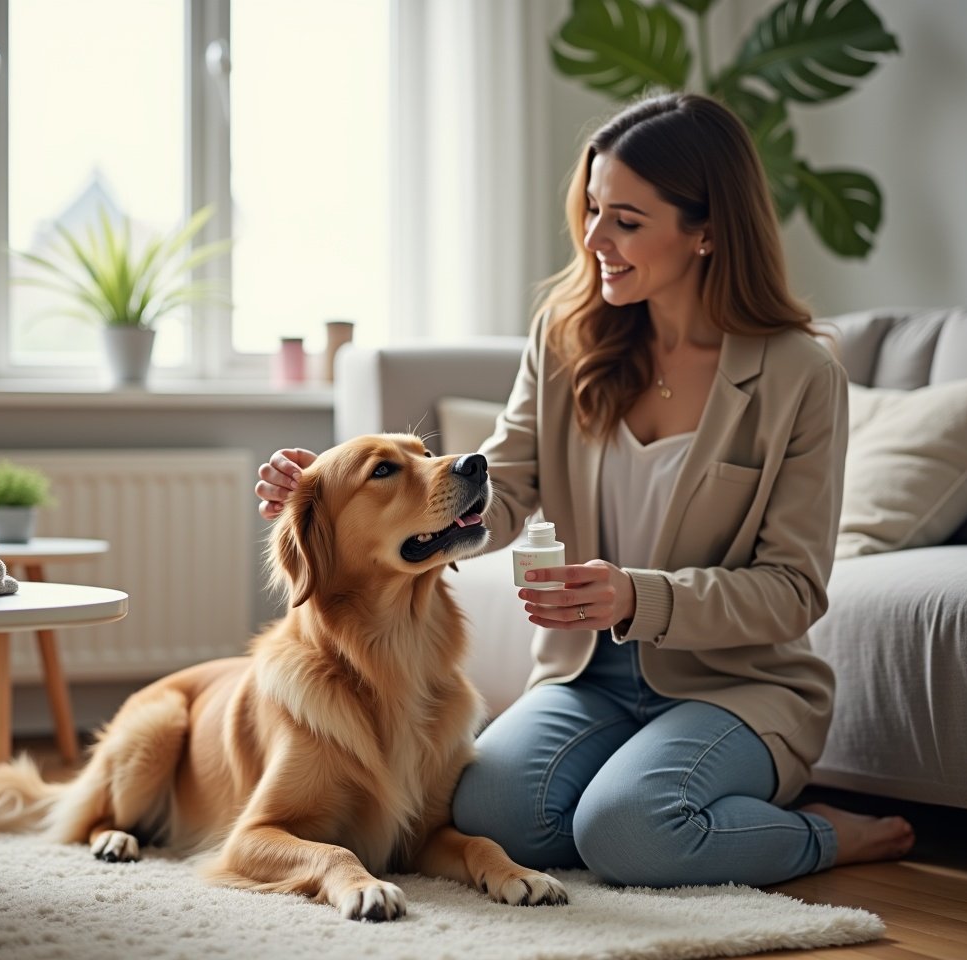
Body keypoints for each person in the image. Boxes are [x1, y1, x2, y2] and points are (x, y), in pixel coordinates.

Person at [255, 92, 915, 887]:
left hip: (738, 685)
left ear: (707, 231)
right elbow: (501, 492)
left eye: (627, 220)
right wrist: (327, 497)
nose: (594, 239)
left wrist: (637, 599)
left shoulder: (800, 374)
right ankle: (677, 803)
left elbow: (793, 590)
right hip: (586, 675)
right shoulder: (567, 339)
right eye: (593, 208)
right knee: (492, 817)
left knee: (628, 832)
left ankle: (817, 835)